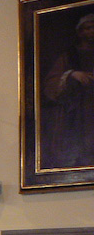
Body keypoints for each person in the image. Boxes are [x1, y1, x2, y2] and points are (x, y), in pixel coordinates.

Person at [42, 13, 94, 168]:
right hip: (76, 108)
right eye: (88, 28)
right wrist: (72, 74)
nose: (92, 31)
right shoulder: (69, 56)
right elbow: (51, 83)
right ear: (80, 32)